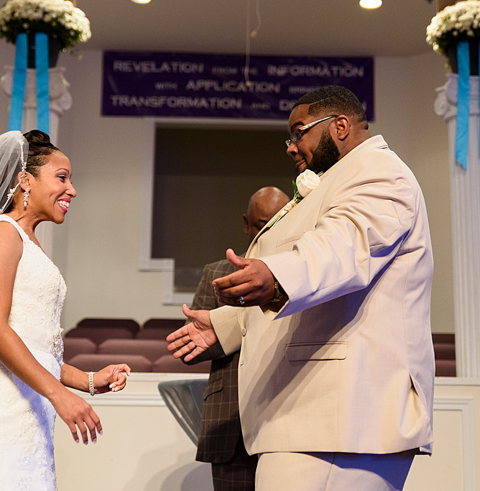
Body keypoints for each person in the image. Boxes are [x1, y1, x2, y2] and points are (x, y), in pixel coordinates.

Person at [168, 85, 434, 491]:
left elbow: (339, 249)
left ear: (340, 126)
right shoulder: (336, 179)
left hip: (341, 417)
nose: (291, 147)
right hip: (313, 419)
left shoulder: (378, 171)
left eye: (299, 133)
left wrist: (273, 276)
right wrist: (225, 324)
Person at [0, 130, 130, 491]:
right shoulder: (2, 232)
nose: (72, 190)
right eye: (62, 177)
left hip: (27, 404)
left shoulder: (28, 240)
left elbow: (34, 346)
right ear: (25, 180)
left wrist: (87, 381)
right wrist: (59, 395)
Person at [185, 186, 290, 491]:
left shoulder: (300, 276)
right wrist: (230, 327)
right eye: (261, 225)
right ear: (246, 224)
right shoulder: (216, 273)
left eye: (277, 223)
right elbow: (193, 347)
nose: (268, 232)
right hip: (230, 418)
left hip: (284, 413)